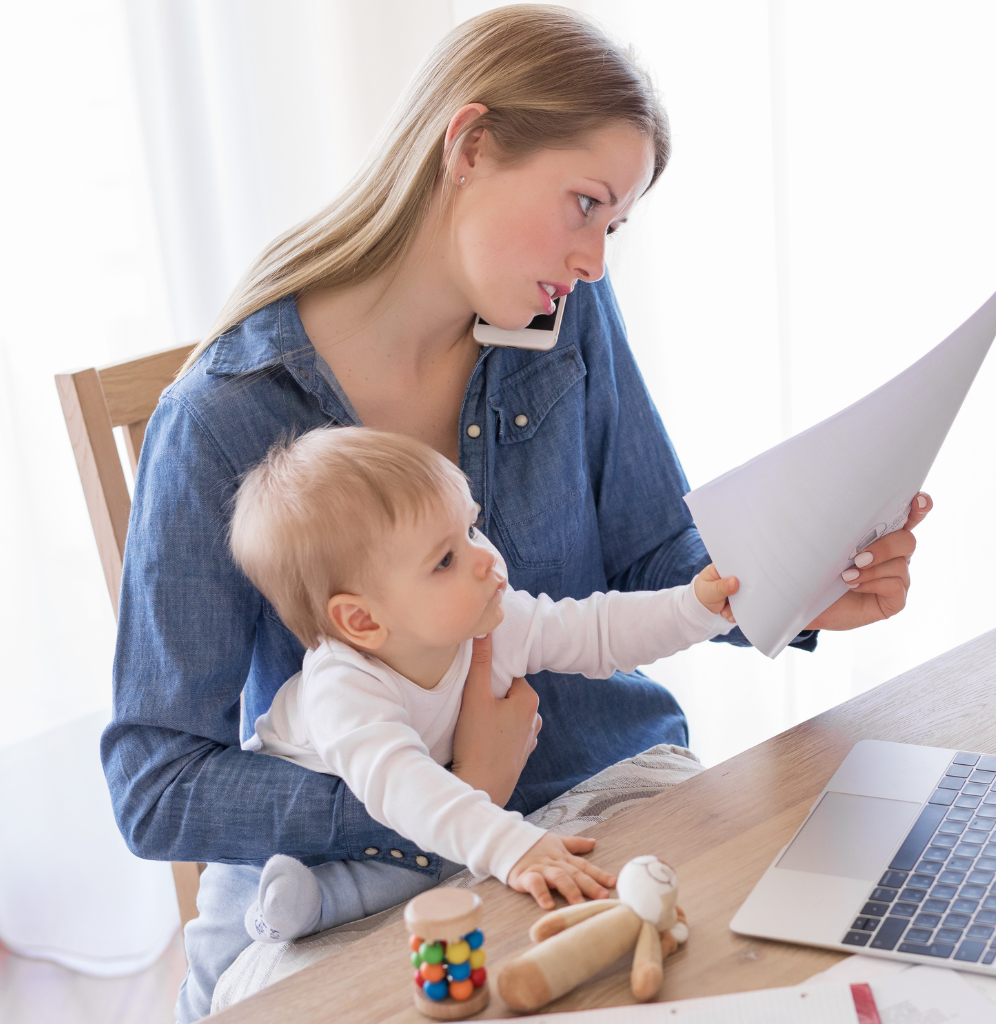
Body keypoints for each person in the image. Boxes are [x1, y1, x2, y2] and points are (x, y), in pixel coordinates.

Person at [100, 6, 930, 1020]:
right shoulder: (225, 416)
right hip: (368, 872)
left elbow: (649, 551)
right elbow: (156, 783)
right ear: (471, 146)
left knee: (828, 961)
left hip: (614, 793)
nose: (594, 262)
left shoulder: (564, 314)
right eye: (583, 204)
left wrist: (799, 588)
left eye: (613, 223)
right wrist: (449, 789)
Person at [229, 425, 740, 942]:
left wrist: (695, 608)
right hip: (285, 845)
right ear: (361, 622)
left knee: (425, 861)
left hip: (403, 831)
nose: (487, 561)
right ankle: (295, 907)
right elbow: (405, 787)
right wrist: (511, 847)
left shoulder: (489, 618)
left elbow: (597, 630)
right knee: (416, 849)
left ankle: (317, 902)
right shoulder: (343, 686)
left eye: (471, 529)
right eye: (446, 559)